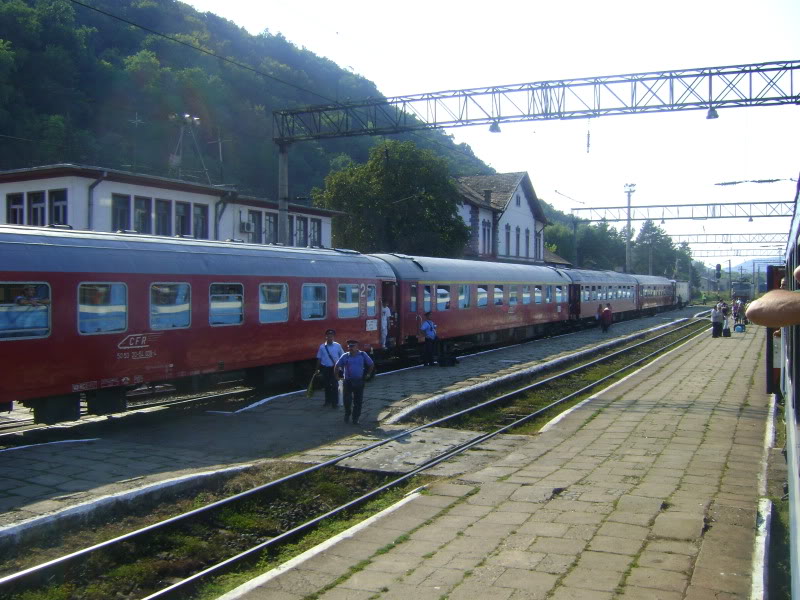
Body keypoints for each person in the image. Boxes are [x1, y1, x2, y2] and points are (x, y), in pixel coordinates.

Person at [335, 340, 374, 425]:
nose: (351, 348)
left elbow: (371, 364)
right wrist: (337, 377)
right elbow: (337, 366)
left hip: (359, 381)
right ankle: (347, 413)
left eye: (353, 346)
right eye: (349, 346)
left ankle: (355, 418)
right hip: (348, 381)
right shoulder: (344, 356)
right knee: (347, 400)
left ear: (357, 347)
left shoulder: (363, 355)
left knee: (358, 401)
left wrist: (368, 374)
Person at [315, 329, 344, 408]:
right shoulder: (322, 347)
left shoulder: (337, 345)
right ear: (326, 337)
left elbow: (342, 356)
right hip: (325, 368)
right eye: (328, 336)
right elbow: (319, 358)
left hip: (335, 368)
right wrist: (317, 369)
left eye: (331, 336)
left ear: (333, 337)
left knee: (334, 385)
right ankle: (327, 401)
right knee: (326, 385)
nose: (330, 337)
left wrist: (343, 367)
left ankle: (335, 403)